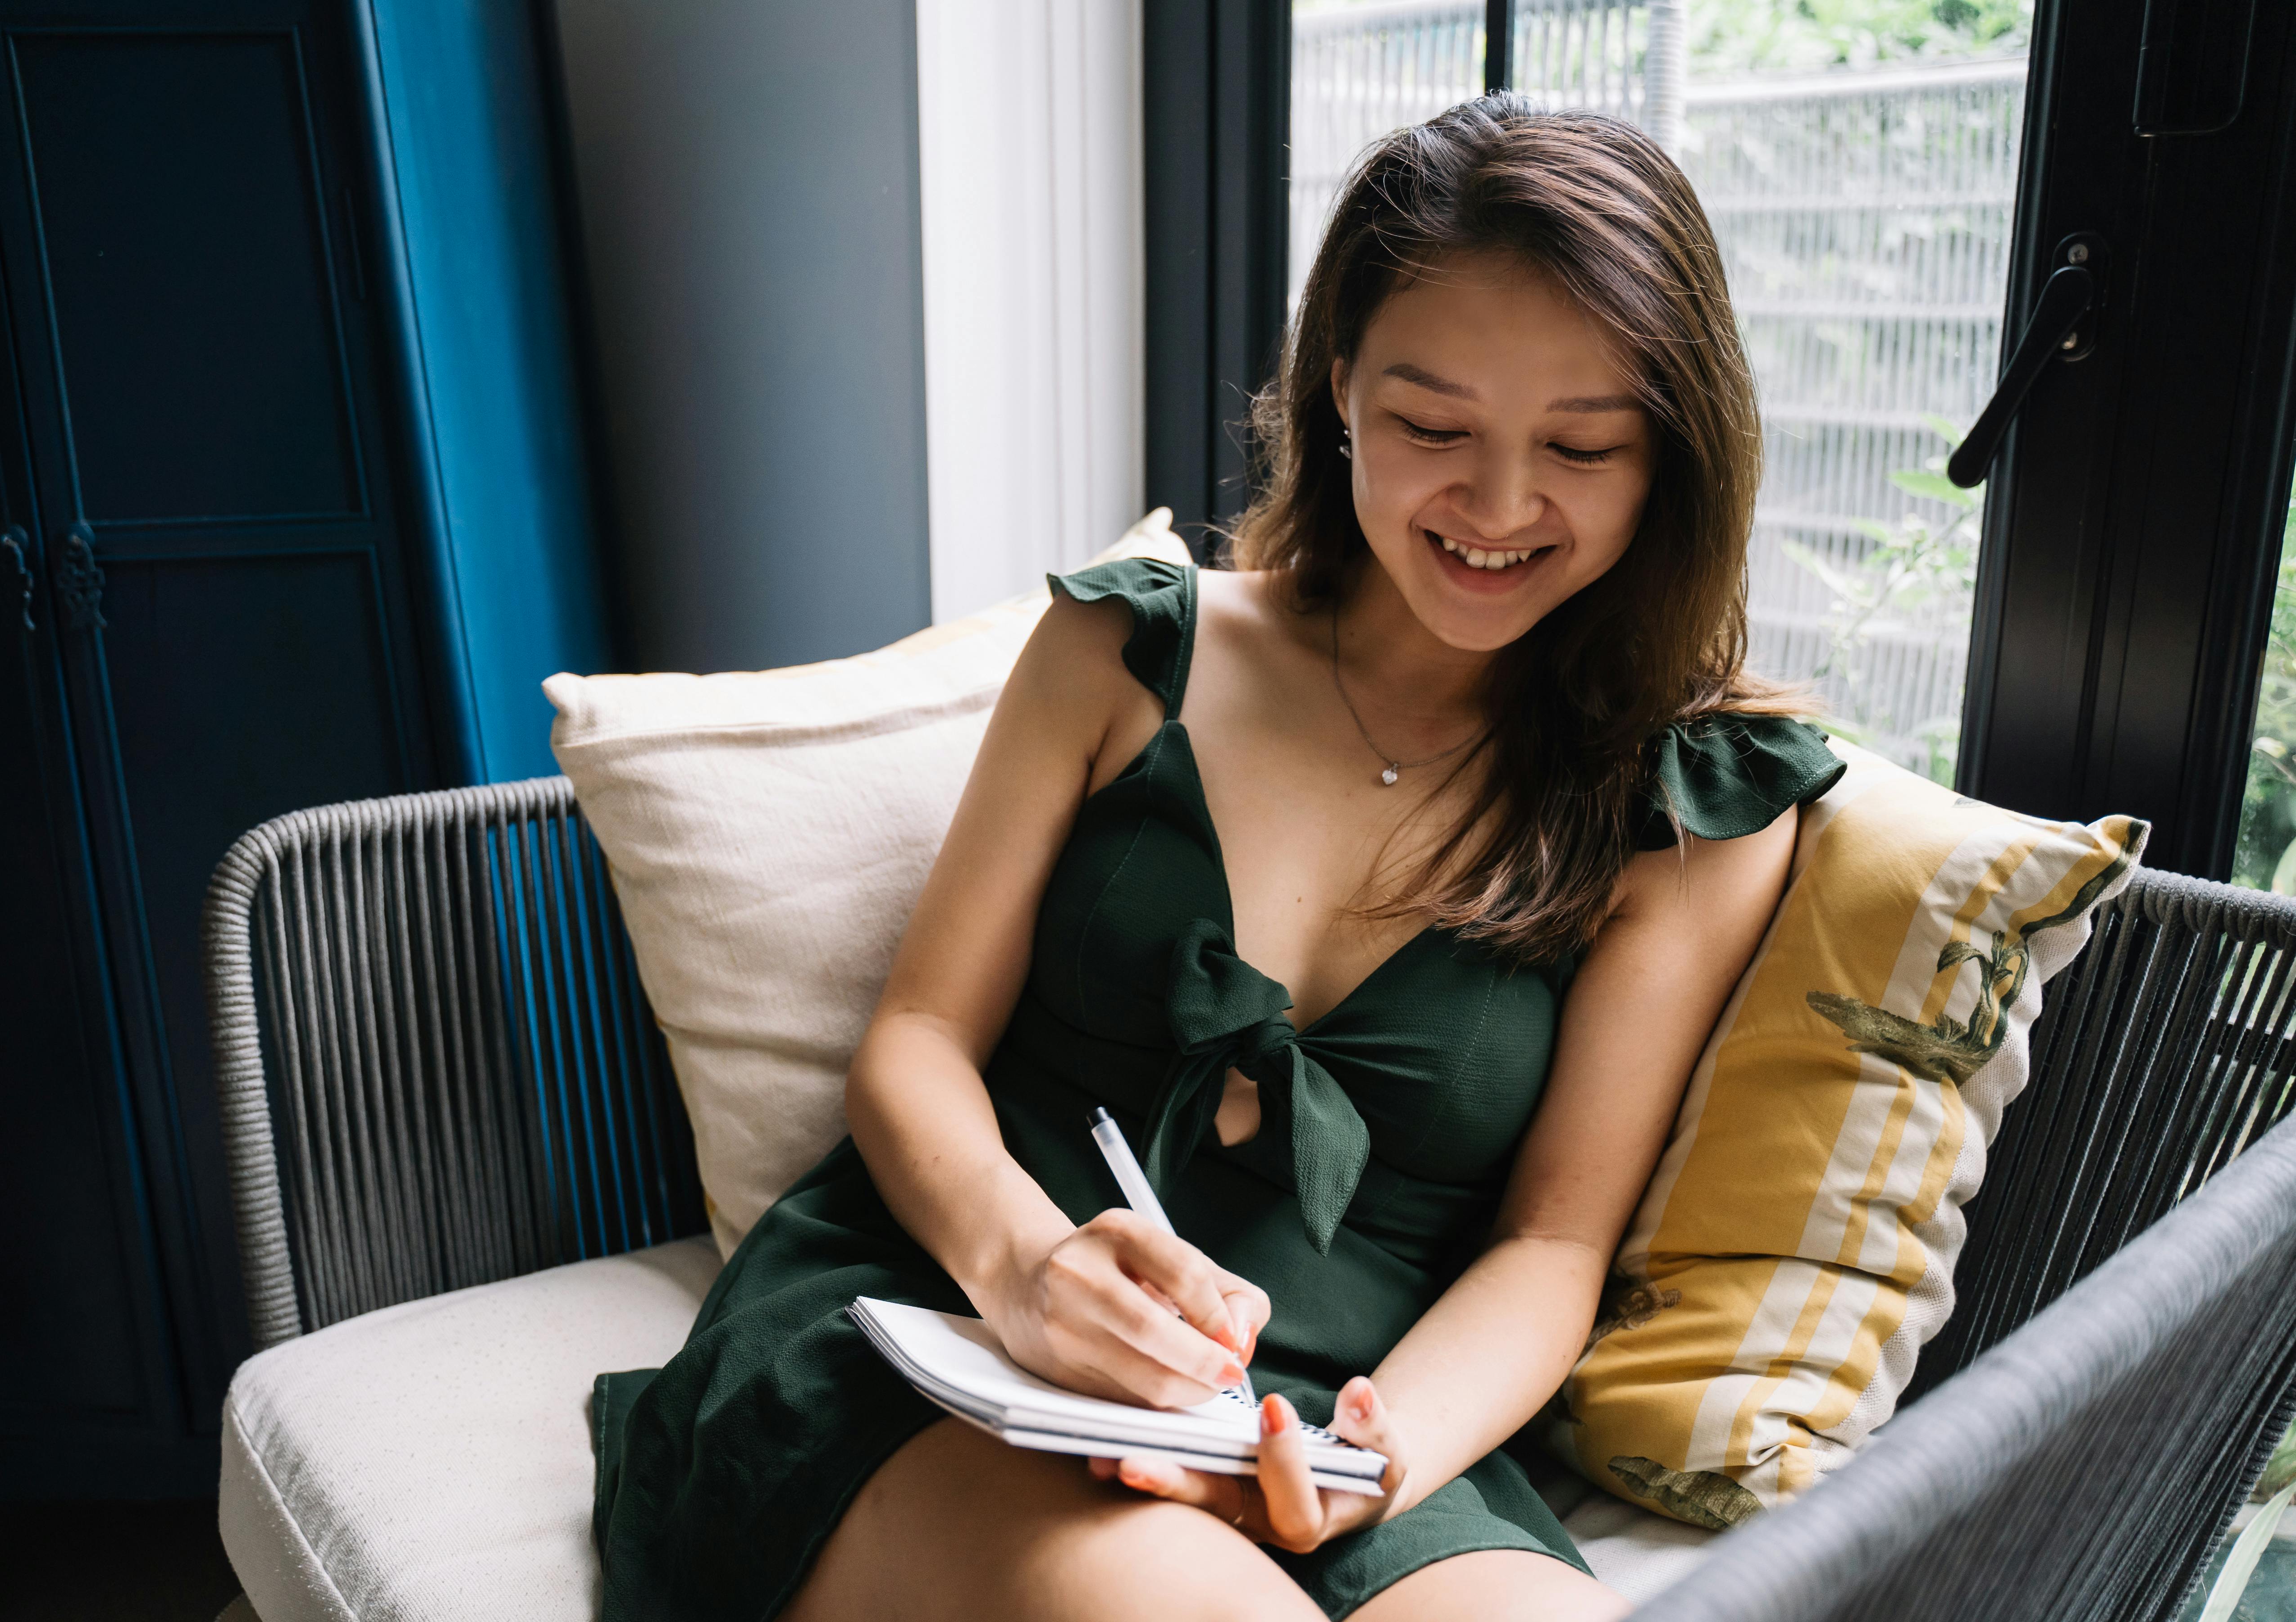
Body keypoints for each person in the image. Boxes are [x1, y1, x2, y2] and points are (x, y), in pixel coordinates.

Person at [595, 95, 1844, 1622]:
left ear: (1671, 460)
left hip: (1363, 1411)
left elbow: (1551, 1243)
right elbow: (917, 1041)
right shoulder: (1126, 647)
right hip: (964, 1326)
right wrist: (1030, 1274)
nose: (1500, 508)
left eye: (1582, 447)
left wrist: (1361, 1465)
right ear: (1337, 394)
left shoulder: (1690, 801)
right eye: (1432, 427)